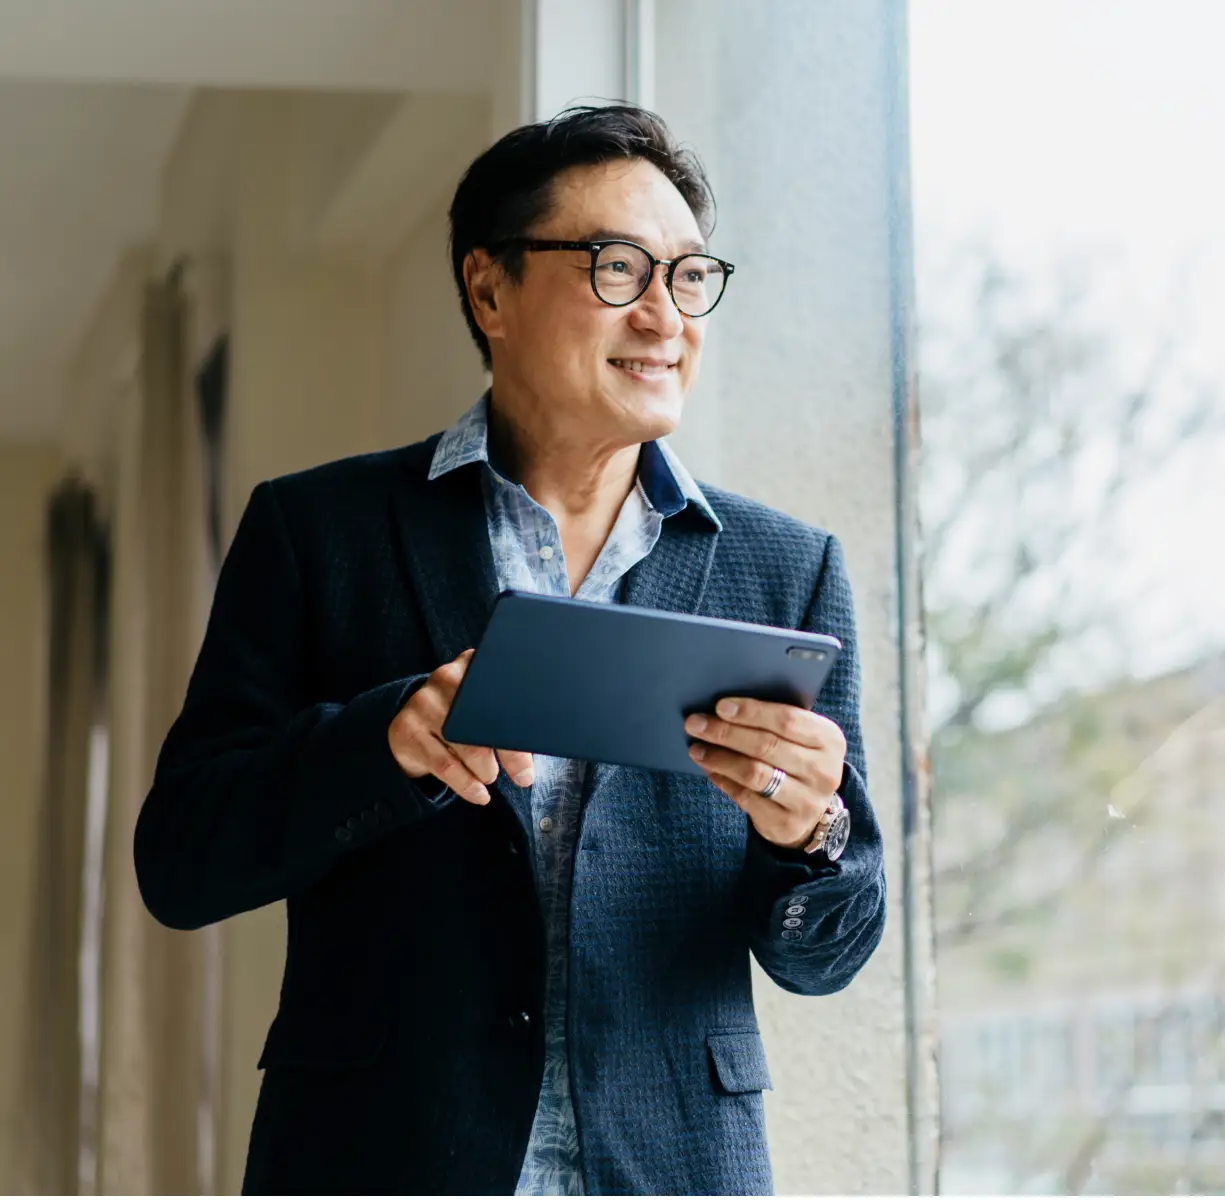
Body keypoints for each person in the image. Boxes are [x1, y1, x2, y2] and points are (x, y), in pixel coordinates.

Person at [134, 104, 887, 1196]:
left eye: (689, 276)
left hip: (677, 1166)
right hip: (378, 1157)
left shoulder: (787, 567)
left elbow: (830, 951)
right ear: (489, 289)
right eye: (620, 267)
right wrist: (380, 744)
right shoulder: (320, 533)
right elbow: (180, 863)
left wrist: (810, 832)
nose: (666, 316)